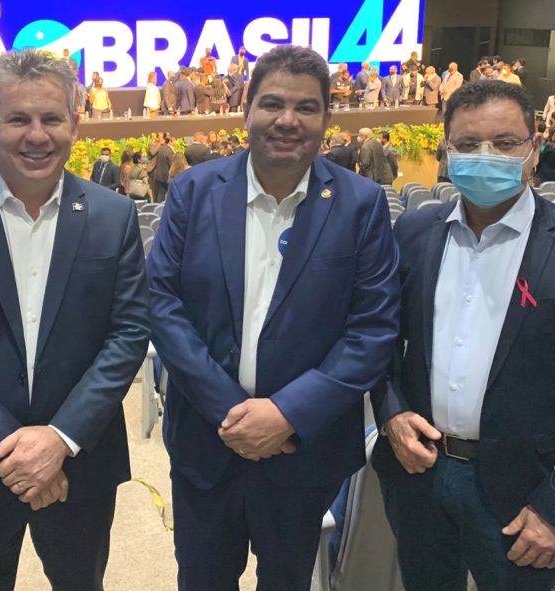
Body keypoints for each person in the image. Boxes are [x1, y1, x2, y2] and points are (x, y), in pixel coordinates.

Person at [147, 44, 400, 591]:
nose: (288, 120)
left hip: (304, 451)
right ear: (246, 111)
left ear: (327, 118)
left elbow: (372, 329)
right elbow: (162, 304)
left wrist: (287, 414)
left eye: (306, 107)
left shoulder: (360, 203)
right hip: (207, 442)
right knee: (202, 580)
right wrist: (232, 412)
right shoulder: (193, 190)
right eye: (272, 104)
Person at [0, 48, 149, 591]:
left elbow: (129, 332)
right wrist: (18, 450)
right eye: (18, 118)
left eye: (51, 118)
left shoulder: (113, 217)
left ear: (75, 124)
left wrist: (59, 440)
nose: (36, 135)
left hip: (81, 463)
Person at [372, 79, 555, 591]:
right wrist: (391, 413)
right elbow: (381, 342)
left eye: (504, 143)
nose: (485, 157)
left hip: (526, 496)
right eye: (468, 144)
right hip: (419, 476)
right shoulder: (414, 233)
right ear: (447, 150)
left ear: (534, 148)